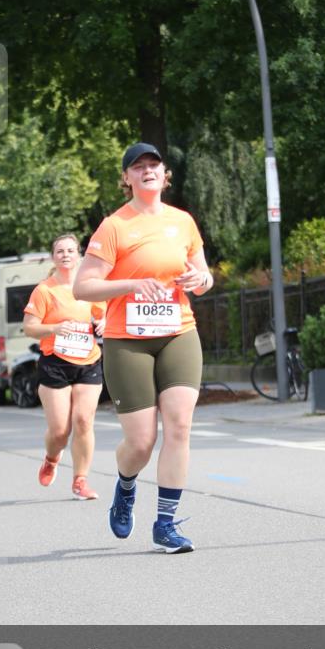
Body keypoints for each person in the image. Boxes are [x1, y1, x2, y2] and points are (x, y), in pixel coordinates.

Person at [73, 142, 213, 553]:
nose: (147, 170)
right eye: (138, 166)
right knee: (140, 442)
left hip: (178, 331)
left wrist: (200, 282)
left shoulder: (183, 222)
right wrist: (132, 285)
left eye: (154, 164)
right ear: (127, 178)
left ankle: (166, 525)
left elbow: (203, 274)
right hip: (127, 341)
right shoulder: (115, 226)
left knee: (180, 426)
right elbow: (84, 286)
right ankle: (126, 485)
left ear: (165, 173)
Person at [23, 233, 106, 500]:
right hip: (55, 363)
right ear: (53, 257)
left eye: (71, 250)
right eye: (60, 251)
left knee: (83, 420)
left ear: (79, 255)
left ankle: (80, 481)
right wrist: (55, 328)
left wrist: (105, 324)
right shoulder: (45, 290)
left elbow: (105, 317)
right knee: (60, 431)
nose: (66, 255)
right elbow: (29, 328)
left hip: (89, 360)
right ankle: (51, 457)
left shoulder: (91, 288)